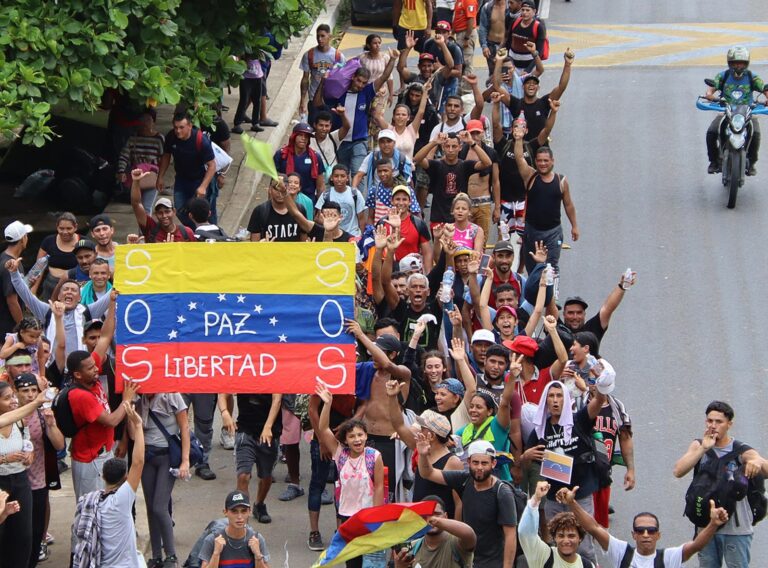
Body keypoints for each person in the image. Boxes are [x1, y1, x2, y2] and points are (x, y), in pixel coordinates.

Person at [522, 376, 611, 564]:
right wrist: (525, 456)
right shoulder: (540, 430)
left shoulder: (579, 419)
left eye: (559, 396)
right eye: (551, 396)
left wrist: (603, 384)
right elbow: (522, 467)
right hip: (554, 497)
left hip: (580, 494)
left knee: (583, 543)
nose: (555, 400)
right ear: (545, 400)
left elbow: (599, 402)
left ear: (567, 398)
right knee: (559, 544)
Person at [673, 400, 768, 568]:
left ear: (729, 424)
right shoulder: (698, 445)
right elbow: (678, 471)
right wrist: (703, 448)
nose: (713, 425)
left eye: (719, 422)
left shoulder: (740, 449)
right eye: (710, 421)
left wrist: (757, 463)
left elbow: (758, 461)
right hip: (706, 526)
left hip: (736, 529)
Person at [558, 484, 730, 568]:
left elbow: (696, 546)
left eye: (651, 530)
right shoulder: (622, 552)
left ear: (658, 535)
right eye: (640, 531)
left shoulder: (668, 558)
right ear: (634, 535)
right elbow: (593, 528)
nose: (646, 534)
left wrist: (713, 524)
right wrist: (572, 503)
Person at [315, 381, 385, 568]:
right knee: (352, 562)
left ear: (366, 436)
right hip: (347, 518)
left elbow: (378, 487)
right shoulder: (341, 455)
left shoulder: (374, 456)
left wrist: (376, 517)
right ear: (345, 440)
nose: (357, 439)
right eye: (352, 436)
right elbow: (323, 430)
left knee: (371, 562)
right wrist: (327, 404)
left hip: (369, 517)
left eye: (360, 435)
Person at [417, 438, 518, 568]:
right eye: (475, 463)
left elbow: (510, 534)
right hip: (467, 559)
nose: (479, 467)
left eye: (484, 463)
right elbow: (428, 473)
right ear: (468, 462)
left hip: (493, 562)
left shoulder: (502, 492)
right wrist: (423, 454)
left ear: (493, 463)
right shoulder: (464, 480)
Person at [72, 402, 145, 568]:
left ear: (103, 476)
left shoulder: (89, 501)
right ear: (126, 477)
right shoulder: (122, 500)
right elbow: (138, 462)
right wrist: (138, 425)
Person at [66, 350, 139, 500]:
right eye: (91, 368)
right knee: (91, 507)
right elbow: (111, 421)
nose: (96, 369)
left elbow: (105, 336)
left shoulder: (92, 379)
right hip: (90, 460)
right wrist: (126, 400)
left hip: (103, 453)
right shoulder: (80, 395)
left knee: (107, 503)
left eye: (95, 365)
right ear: (78, 375)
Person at [5, 258, 112, 357]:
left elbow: (113, 293)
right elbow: (26, 295)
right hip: (53, 368)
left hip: (80, 366)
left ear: (79, 298)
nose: (69, 292)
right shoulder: (47, 311)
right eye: (66, 289)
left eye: (73, 290)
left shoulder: (87, 311)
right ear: (59, 296)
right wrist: (14, 273)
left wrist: (128, 256)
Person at [386, 382, 463, 517]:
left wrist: (455, 533)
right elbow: (398, 425)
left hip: (442, 526)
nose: (418, 431)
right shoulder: (419, 448)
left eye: (422, 429)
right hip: (419, 523)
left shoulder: (453, 462)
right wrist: (392, 397)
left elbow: (459, 503)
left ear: (431, 436)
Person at [13, 373, 64, 568]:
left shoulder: (43, 414)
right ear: (16, 392)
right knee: (15, 532)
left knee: (34, 532)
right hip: (12, 482)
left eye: (34, 390)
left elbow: (59, 445)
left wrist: (51, 424)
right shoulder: (9, 414)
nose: (30, 395)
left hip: (37, 481)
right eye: (25, 391)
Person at [535, 272, 637, 369]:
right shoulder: (555, 326)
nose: (575, 317)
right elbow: (551, 308)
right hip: (557, 381)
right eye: (570, 313)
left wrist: (622, 286)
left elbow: (607, 309)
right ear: (564, 314)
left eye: (579, 313)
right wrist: (547, 283)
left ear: (584, 314)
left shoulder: (592, 329)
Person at [135, 391, 191, 568]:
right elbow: (132, 434)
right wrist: (128, 406)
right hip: (147, 457)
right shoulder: (139, 399)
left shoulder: (171, 395)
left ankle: (171, 556)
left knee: (160, 507)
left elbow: (184, 427)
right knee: (151, 508)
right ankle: (157, 556)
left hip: (167, 456)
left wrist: (185, 461)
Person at [512, 127, 578, 274]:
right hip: (532, 232)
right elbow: (519, 158)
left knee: (551, 268)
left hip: (553, 233)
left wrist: (574, 226)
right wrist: (518, 140)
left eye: (546, 161)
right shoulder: (530, 176)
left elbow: (568, 205)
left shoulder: (561, 181)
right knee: (533, 269)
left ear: (552, 161)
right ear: (535, 161)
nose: (543, 164)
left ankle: (552, 296)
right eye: (540, 161)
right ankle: (534, 296)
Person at [328, 52, 400, 176]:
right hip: (340, 142)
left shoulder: (366, 92)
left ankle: (358, 196)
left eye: (364, 83)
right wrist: (323, 81)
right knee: (342, 175)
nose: (360, 85)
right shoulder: (339, 92)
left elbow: (384, 77)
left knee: (358, 174)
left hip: (359, 140)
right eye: (358, 81)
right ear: (353, 77)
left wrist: (393, 59)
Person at [219, 389, 281, 524]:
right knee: (243, 475)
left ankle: (259, 504)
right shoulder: (243, 370)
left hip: (269, 432)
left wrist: (268, 426)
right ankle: (243, 513)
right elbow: (223, 392)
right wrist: (225, 413)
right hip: (245, 430)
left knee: (266, 476)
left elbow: (277, 399)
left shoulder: (273, 370)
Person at [704, 46, 768, 175]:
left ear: (746, 63)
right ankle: (714, 161)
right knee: (711, 132)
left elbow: (764, 88)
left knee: (755, 133)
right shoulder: (724, 75)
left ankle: (752, 163)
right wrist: (709, 95)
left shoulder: (752, 76)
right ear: (729, 63)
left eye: (742, 62)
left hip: (748, 111)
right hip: (726, 110)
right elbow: (712, 87)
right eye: (735, 62)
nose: (738, 66)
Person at [414, 131, 492, 228]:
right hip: (438, 219)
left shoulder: (465, 165)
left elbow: (487, 163)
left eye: (454, 146)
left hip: (459, 220)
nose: (450, 150)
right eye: (447, 146)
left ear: (460, 147)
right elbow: (417, 159)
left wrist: (472, 143)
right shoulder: (436, 165)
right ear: (443, 147)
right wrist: (434, 142)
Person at [497, 47, 574, 143]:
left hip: (540, 151)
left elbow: (561, 87)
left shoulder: (544, 103)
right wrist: (499, 61)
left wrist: (567, 65)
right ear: (523, 87)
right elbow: (497, 87)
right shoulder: (515, 103)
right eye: (528, 83)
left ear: (538, 88)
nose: (531, 85)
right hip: (522, 150)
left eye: (534, 83)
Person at [156, 112, 217, 223]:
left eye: (181, 127)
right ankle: (194, 234)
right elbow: (166, 156)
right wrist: (160, 177)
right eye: (176, 127)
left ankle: (213, 235)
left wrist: (203, 186)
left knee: (205, 212)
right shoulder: (171, 137)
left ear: (189, 126)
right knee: (180, 210)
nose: (178, 131)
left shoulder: (201, 141)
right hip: (181, 179)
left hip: (200, 179)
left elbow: (212, 165)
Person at [518, 481, 595, 568]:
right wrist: (536, 498)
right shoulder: (544, 555)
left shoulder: (588, 566)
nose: (566, 541)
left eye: (571, 536)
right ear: (554, 538)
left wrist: (572, 503)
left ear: (580, 538)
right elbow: (525, 533)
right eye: (561, 536)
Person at [0, 380, 34, 568]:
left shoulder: (19, 421)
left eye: (13, 396)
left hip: (20, 480)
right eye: (7, 399)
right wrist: (5, 458)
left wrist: (29, 455)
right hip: (0, 483)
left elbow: (28, 443)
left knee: (23, 534)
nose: (13, 401)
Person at [392, 495, 476, 568]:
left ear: (445, 516)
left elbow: (469, 534)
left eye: (437, 514)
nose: (431, 518)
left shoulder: (457, 543)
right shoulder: (413, 548)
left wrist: (436, 521)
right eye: (425, 515)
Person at [198, 490, 271, 568]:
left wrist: (258, 556)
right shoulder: (212, 540)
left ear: (249, 512)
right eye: (234, 511)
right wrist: (216, 554)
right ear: (225, 512)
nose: (239, 517)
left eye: (244, 511)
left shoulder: (257, 539)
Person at [116, 110, 165, 210]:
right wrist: (121, 171)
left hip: (151, 176)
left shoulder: (159, 139)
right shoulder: (133, 138)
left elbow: (164, 158)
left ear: (153, 122)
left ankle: (146, 226)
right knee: (137, 206)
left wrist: (160, 176)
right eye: (142, 120)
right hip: (136, 176)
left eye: (148, 120)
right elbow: (124, 156)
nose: (145, 123)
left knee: (147, 207)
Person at [130, 169, 196, 243]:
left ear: (174, 211)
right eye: (160, 213)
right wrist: (136, 181)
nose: (164, 216)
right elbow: (136, 204)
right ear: (155, 214)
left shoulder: (187, 233)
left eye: (167, 211)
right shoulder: (150, 228)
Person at [299, 24, 346, 124]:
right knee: (313, 128)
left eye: (323, 36)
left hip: (331, 100)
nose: (320, 39)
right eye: (318, 36)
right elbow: (305, 79)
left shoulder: (338, 56)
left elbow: (343, 80)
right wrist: (302, 101)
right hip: (314, 99)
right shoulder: (309, 55)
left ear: (329, 36)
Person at [31, 212, 78, 301]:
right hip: (50, 284)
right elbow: (38, 267)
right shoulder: (48, 241)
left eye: (69, 228)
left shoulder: (83, 242)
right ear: (57, 227)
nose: (65, 232)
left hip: (73, 285)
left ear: (75, 227)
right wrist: (33, 290)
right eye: (61, 228)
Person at [358, 34, 395, 146]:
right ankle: (367, 143)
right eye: (375, 43)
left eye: (379, 43)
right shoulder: (362, 58)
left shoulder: (385, 58)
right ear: (369, 45)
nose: (378, 45)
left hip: (380, 93)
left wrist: (391, 94)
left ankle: (377, 143)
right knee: (366, 117)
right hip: (366, 92)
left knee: (377, 117)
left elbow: (389, 76)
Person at [247, 175, 308, 242]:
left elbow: (304, 242)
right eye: (276, 188)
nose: (279, 192)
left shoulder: (300, 210)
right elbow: (254, 244)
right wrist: (262, 248)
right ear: (270, 189)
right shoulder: (260, 211)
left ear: (288, 189)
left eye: (283, 188)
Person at [273, 123, 324, 202]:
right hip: (284, 200)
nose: (304, 138)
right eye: (300, 135)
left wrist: (319, 207)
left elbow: (320, 186)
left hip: (307, 201)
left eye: (306, 136)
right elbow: (273, 182)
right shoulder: (281, 155)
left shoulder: (315, 157)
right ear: (294, 136)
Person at [314, 165, 367, 238]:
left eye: (342, 176)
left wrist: (362, 238)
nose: (339, 179)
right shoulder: (325, 195)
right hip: (332, 237)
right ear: (331, 178)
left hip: (353, 236)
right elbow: (318, 218)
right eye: (336, 176)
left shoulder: (355, 193)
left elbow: (361, 219)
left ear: (347, 178)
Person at [0, 221, 32, 336]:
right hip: (8, 327)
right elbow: (12, 301)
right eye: (26, 235)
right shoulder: (10, 265)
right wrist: (22, 328)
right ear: (23, 239)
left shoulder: (6, 257)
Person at [310, 109, 351, 182]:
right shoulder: (308, 139)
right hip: (314, 180)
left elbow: (346, 127)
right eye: (321, 125)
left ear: (330, 126)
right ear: (315, 125)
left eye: (327, 126)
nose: (324, 129)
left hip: (333, 182)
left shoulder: (333, 137)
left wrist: (342, 115)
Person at [506, 0, 546, 71]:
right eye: (523, 10)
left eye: (528, 10)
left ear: (534, 12)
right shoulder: (514, 22)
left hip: (529, 67)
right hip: (513, 67)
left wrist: (528, 70)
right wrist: (508, 62)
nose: (524, 12)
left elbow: (539, 52)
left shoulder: (539, 27)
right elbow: (508, 42)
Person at [479, 0, 515, 75]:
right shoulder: (487, 7)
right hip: (491, 45)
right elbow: (483, 27)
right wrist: (484, 46)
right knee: (493, 73)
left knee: (507, 73)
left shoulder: (510, 6)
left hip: (506, 46)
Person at [232, 57, 266, 134]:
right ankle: (237, 124)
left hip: (258, 75)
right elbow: (238, 58)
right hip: (246, 77)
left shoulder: (258, 50)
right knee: (244, 100)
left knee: (257, 101)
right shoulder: (244, 50)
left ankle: (255, 123)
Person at [452, 0, 478, 95]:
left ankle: (467, 90)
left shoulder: (469, 1)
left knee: (466, 63)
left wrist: (467, 38)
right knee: (460, 61)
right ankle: (460, 87)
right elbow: (457, 18)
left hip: (466, 33)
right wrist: (453, 31)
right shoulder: (459, 1)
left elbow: (471, 19)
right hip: (460, 33)